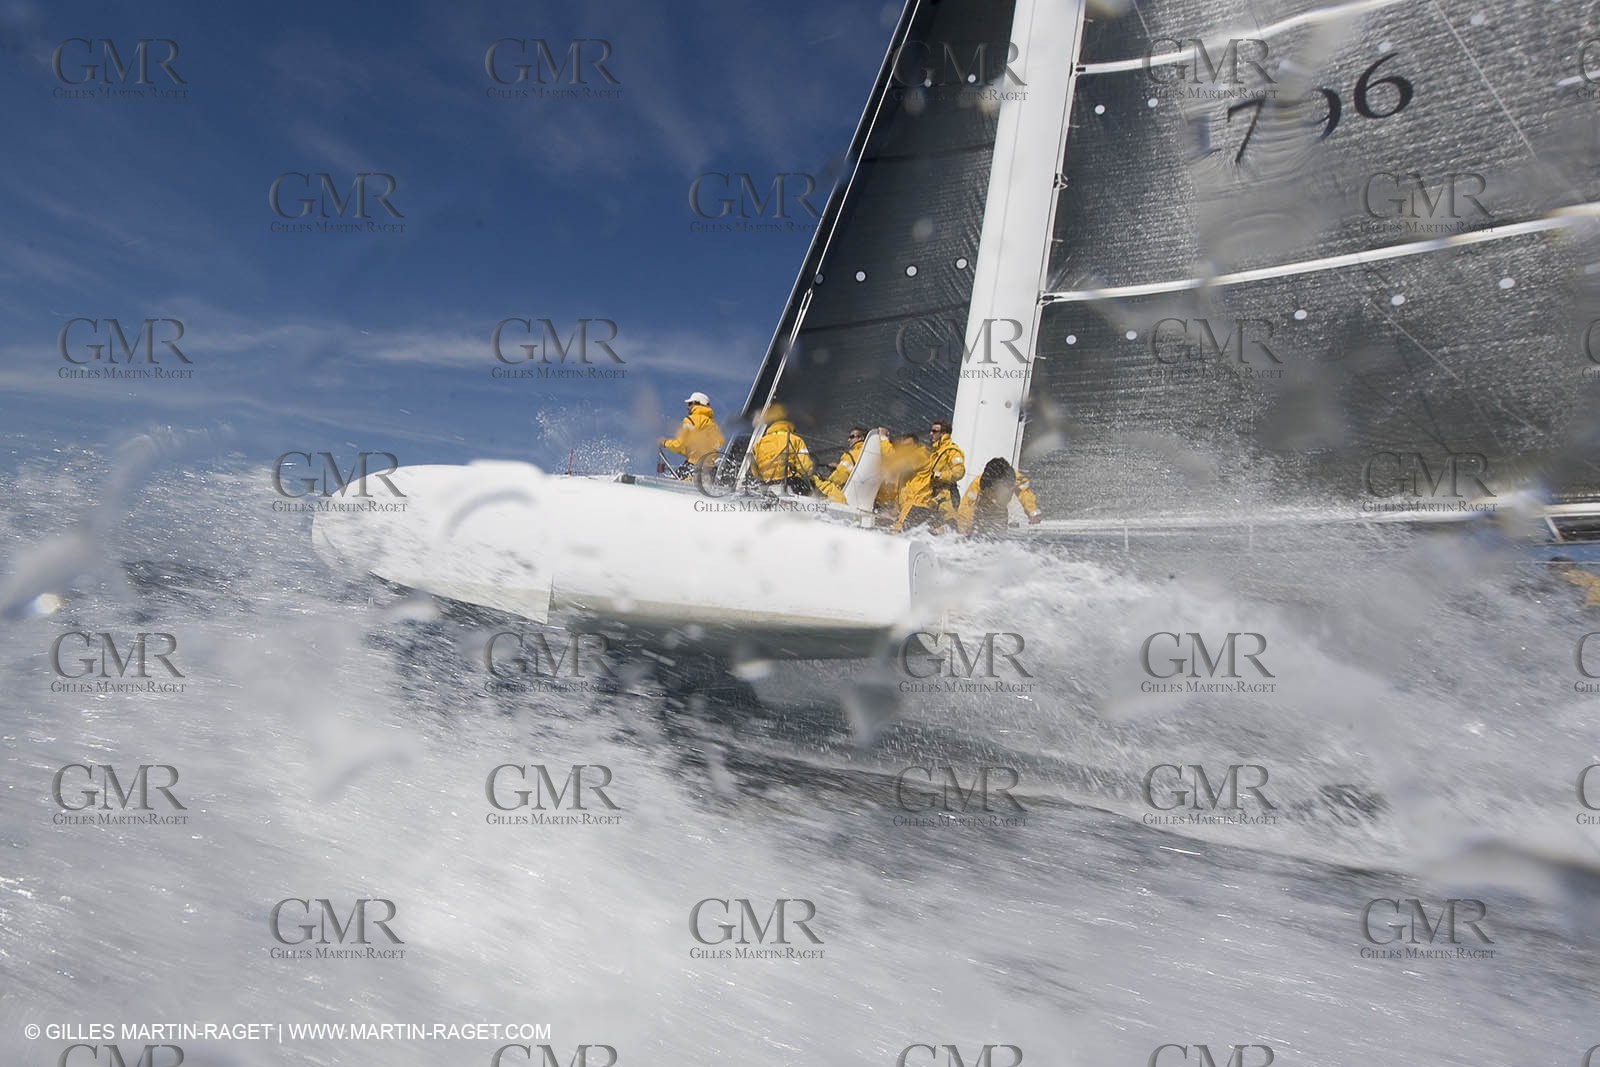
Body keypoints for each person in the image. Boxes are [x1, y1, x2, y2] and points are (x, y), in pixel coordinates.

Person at [956, 457, 1044, 536]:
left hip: (1000, 514)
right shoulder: (977, 484)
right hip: (980, 514)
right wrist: (964, 530)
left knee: (999, 539)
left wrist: (1032, 511)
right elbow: (966, 507)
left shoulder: (1015, 479)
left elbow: (1025, 494)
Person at [750, 404, 816, 491]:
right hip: (788, 482)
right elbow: (805, 467)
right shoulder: (796, 440)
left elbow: (754, 470)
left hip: (766, 484)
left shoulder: (759, 443)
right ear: (789, 425)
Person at [659, 391, 725, 473]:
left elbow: (679, 444)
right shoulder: (714, 426)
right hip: (711, 470)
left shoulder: (691, 420)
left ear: (697, 404)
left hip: (695, 466)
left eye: (690, 404)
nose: (688, 407)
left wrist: (664, 443)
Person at [890, 432, 936, 532]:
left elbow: (896, 464)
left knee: (900, 536)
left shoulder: (919, 454)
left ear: (916, 445)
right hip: (908, 506)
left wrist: (884, 442)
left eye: (908, 446)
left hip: (916, 505)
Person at [927, 419, 966, 524]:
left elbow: (959, 472)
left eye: (934, 431)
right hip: (934, 495)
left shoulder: (952, 451)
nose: (931, 434)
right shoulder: (934, 452)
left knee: (949, 526)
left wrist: (938, 475)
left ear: (944, 433)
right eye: (931, 431)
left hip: (947, 496)